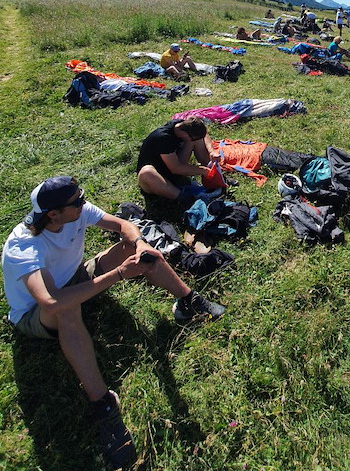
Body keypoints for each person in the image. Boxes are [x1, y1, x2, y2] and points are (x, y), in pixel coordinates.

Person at [1, 176, 225, 468]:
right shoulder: (25, 246)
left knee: (137, 249)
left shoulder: (73, 211)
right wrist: (119, 273)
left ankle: (189, 301)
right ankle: (103, 404)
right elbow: (51, 301)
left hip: (73, 279)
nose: (84, 202)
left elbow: (122, 225)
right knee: (68, 308)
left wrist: (140, 244)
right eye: (77, 201)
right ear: (53, 214)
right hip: (36, 314)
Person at [137, 116, 220, 206]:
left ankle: (213, 173)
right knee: (147, 172)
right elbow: (175, 168)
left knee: (196, 138)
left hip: (172, 167)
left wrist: (212, 151)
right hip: (157, 178)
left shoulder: (181, 125)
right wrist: (202, 171)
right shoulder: (163, 138)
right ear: (185, 134)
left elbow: (203, 135)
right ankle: (186, 197)